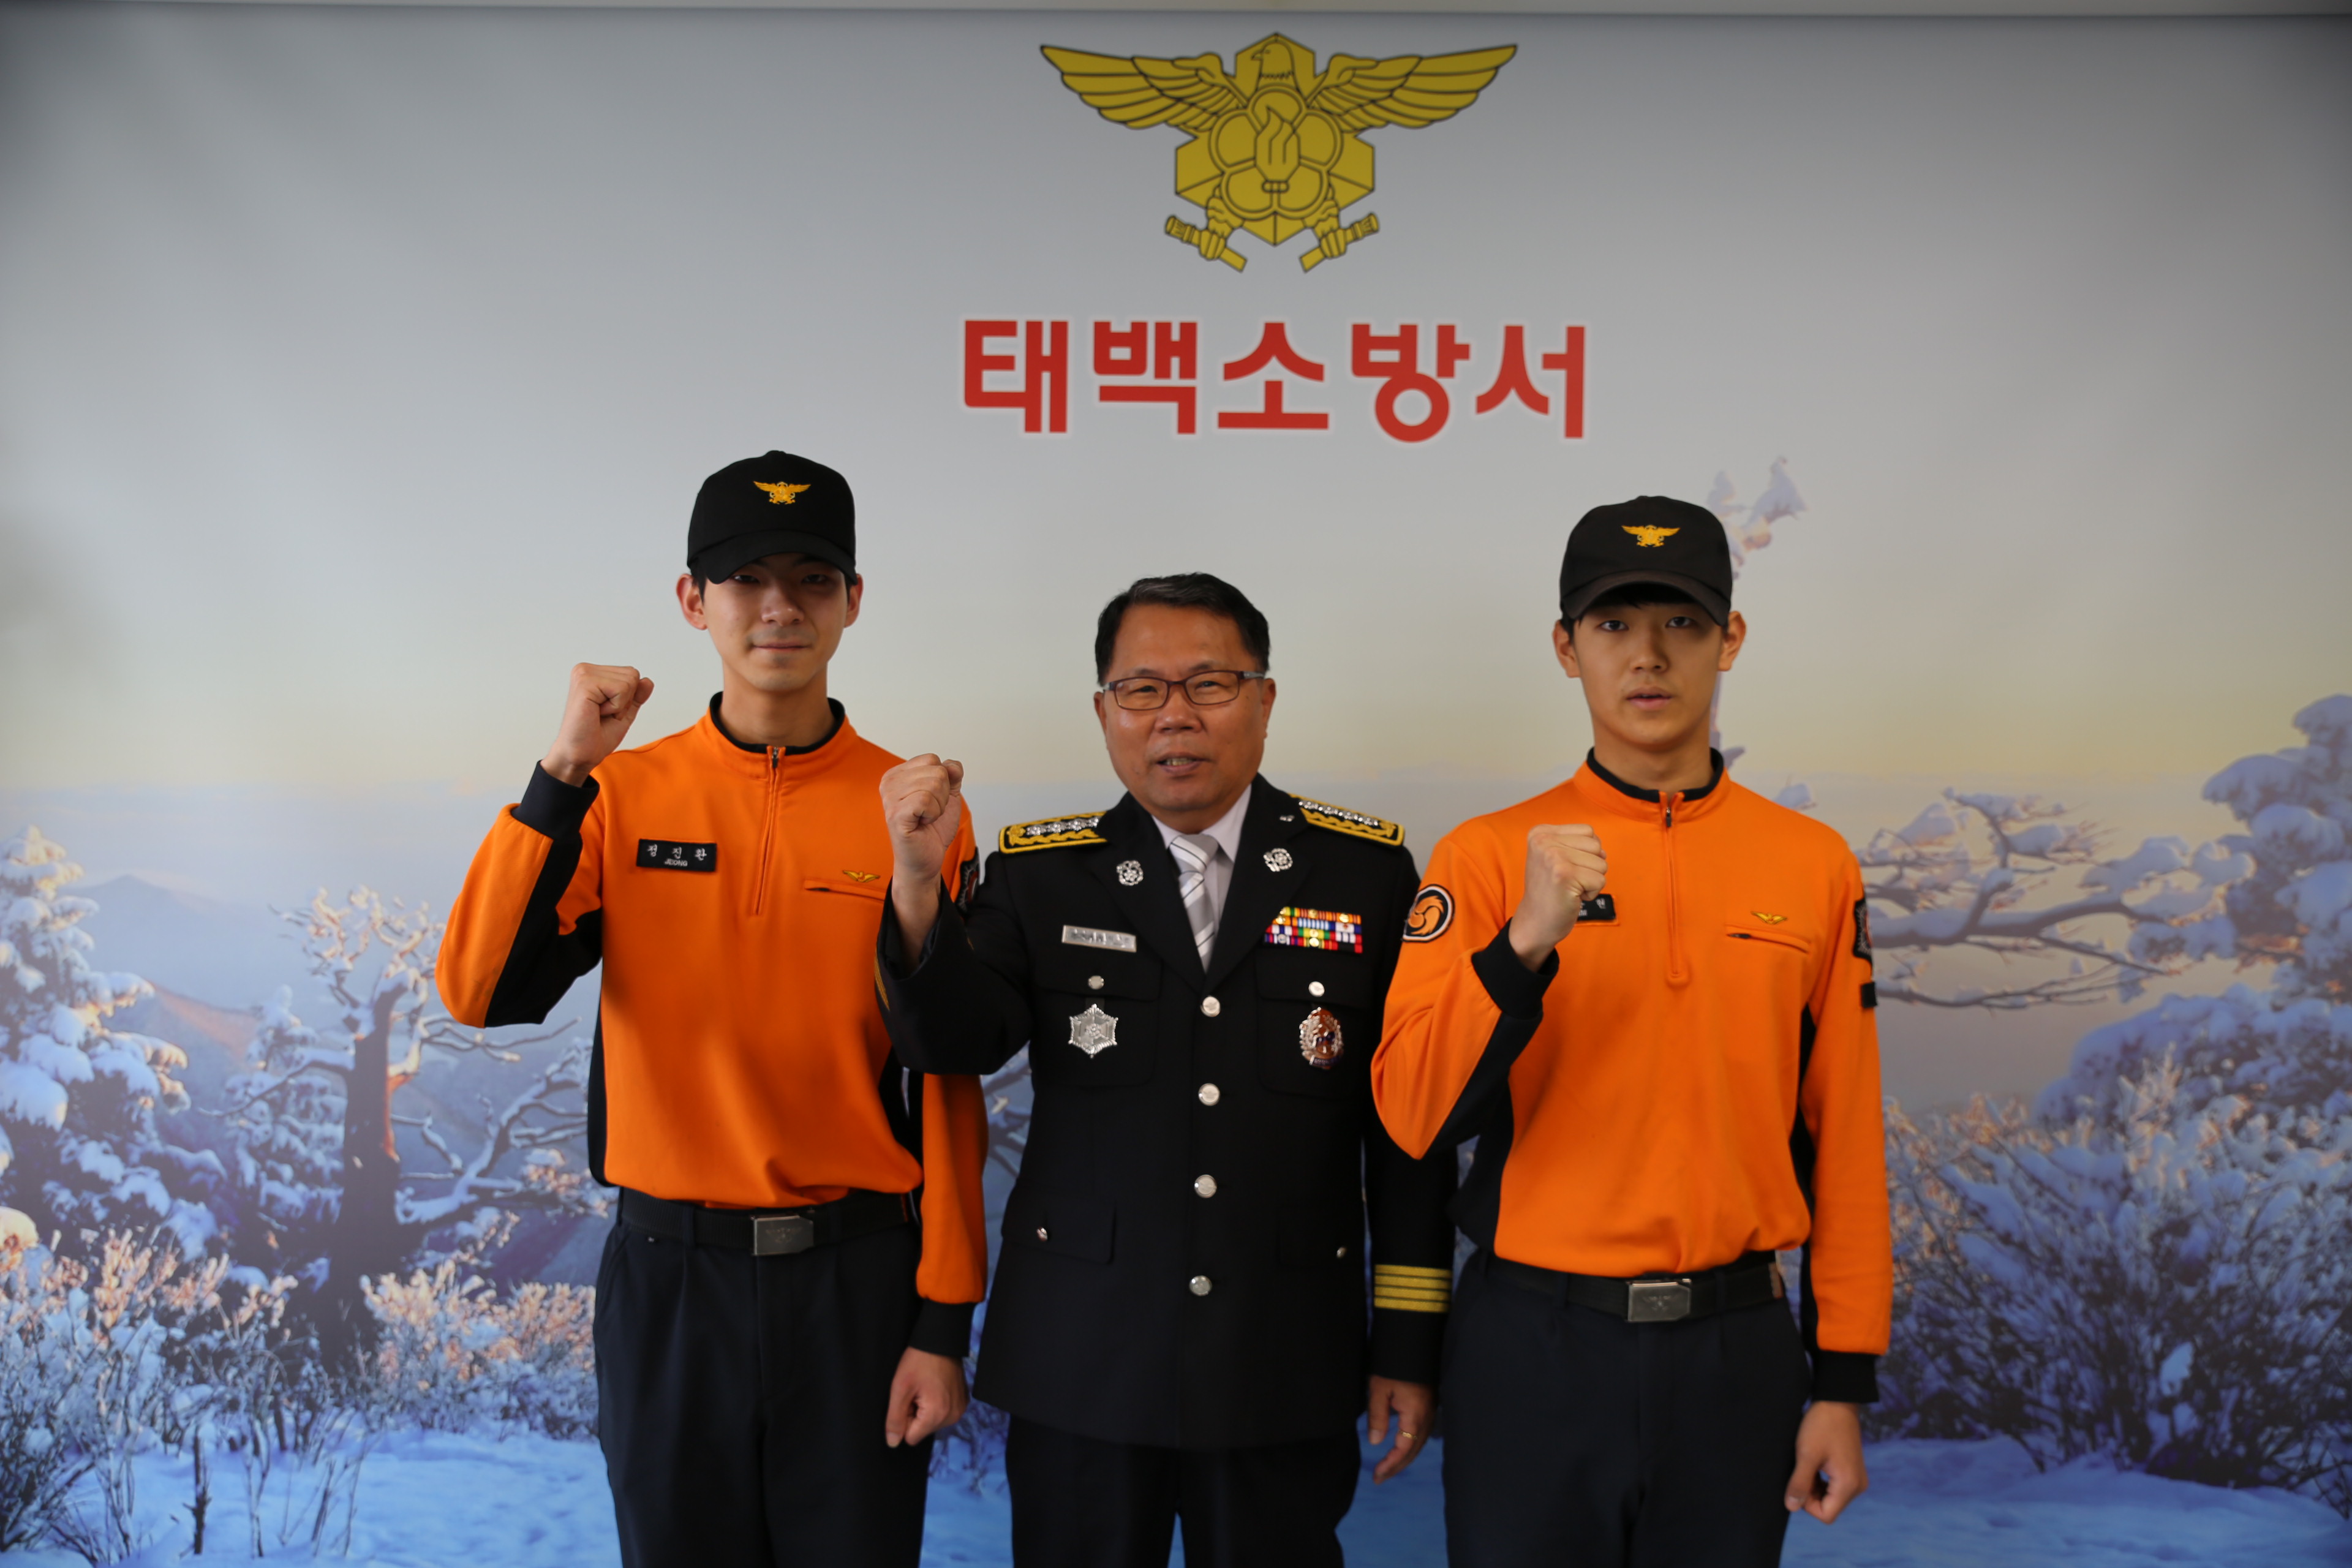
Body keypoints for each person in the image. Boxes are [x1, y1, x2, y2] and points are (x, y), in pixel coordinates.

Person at [435, 451, 988, 1568]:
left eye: (813, 579)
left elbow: (947, 1073)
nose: (779, 607)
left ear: (853, 601)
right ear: (694, 601)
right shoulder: (620, 794)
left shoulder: (916, 808)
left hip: (857, 1283)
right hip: (670, 1279)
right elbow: (481, 991)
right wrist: (561, 772)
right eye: (745, 579)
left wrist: (941, 1320)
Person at [874, 574, 1458, 1568]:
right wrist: (919, 886)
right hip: (1082, 1362)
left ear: (1265, 700)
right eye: (1141, 689)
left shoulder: (1363, 873)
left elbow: (1406, 1124)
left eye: (1210, 684)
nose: (1174, 715)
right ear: (1105, 711)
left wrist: (1405, 1338)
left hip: (1281, 1359)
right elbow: (953, 1045)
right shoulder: (1040, 874)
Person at [1371, 496, 1891, 1567]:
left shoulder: (1813, 863)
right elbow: (1412, 1113)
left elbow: (1843, 1132)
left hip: (1736, 1354)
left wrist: (1842, 1382)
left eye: (1682, 623)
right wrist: (1522, 944)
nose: (1647, 656)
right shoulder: (1487, 854)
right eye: (1613, 625)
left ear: (1730, 639)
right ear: (1567, 649)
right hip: (1533, 1348)